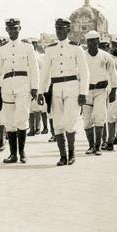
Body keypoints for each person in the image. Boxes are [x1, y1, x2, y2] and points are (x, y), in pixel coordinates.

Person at [38, 18, 89, 166]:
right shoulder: (50, 49)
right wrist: (41, 92)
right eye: (57, 28)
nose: (59, 31)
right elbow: (45, 73)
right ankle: (62, 156)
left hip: (72, 86)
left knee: (70, 121)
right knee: (57, 123)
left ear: (68, 30)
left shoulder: (76, 48)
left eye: (62, 29)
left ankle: (72, 153)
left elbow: (84, 73)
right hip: (56, 88)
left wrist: (83, 93)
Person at [0, 18, 40, 164]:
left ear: (19, 29)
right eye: (10, 29)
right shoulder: (2, 49)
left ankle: (22, 152)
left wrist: (35, 87)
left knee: (22, 118)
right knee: (9, 120)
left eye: (15, 28)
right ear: (6, 30)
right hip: (7, 86)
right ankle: (13, 154)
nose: (12, 31)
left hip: (23, 85)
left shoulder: (27, 47)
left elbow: (34, 68)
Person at [81, 31, 117, 156]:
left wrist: (114, 91)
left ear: (98, 41)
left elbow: (113, 75)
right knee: (86, 120)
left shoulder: (106, 56)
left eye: (95, 40)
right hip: (86, 91)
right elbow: (77, 75)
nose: (92, 43)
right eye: (89, 41)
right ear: (87, 42)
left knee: (100, 116)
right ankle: (90, 146)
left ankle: (97, 146)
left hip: (101, 90)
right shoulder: (83, 56)